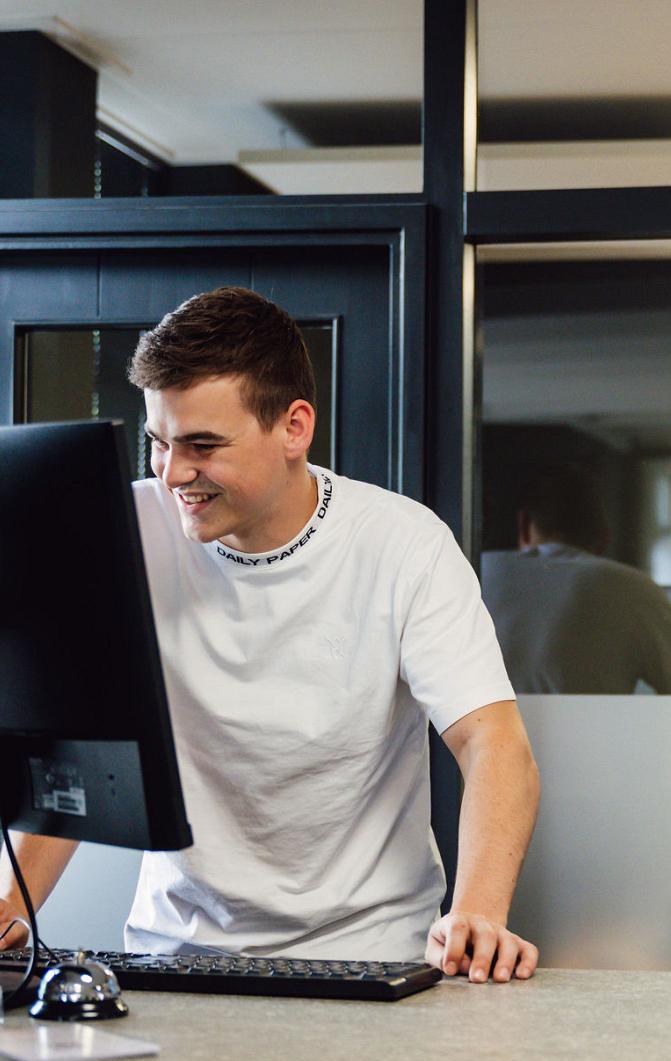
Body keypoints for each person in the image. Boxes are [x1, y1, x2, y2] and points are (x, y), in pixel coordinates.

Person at [0, 287, 539, 983]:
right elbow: (74, 749)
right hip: (173, 951)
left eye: (202, 446)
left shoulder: (404, 545)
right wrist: (12, 907)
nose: (172, 473)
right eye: (158, 443)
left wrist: (478, 915)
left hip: (367, 953)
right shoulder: (124, 529)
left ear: (294, 428)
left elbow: (494, 744)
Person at [481, 464, 671, 694]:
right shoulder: (632, 588)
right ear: (604, 535)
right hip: (593, 720)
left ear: (523, 524)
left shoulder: (475, 571)